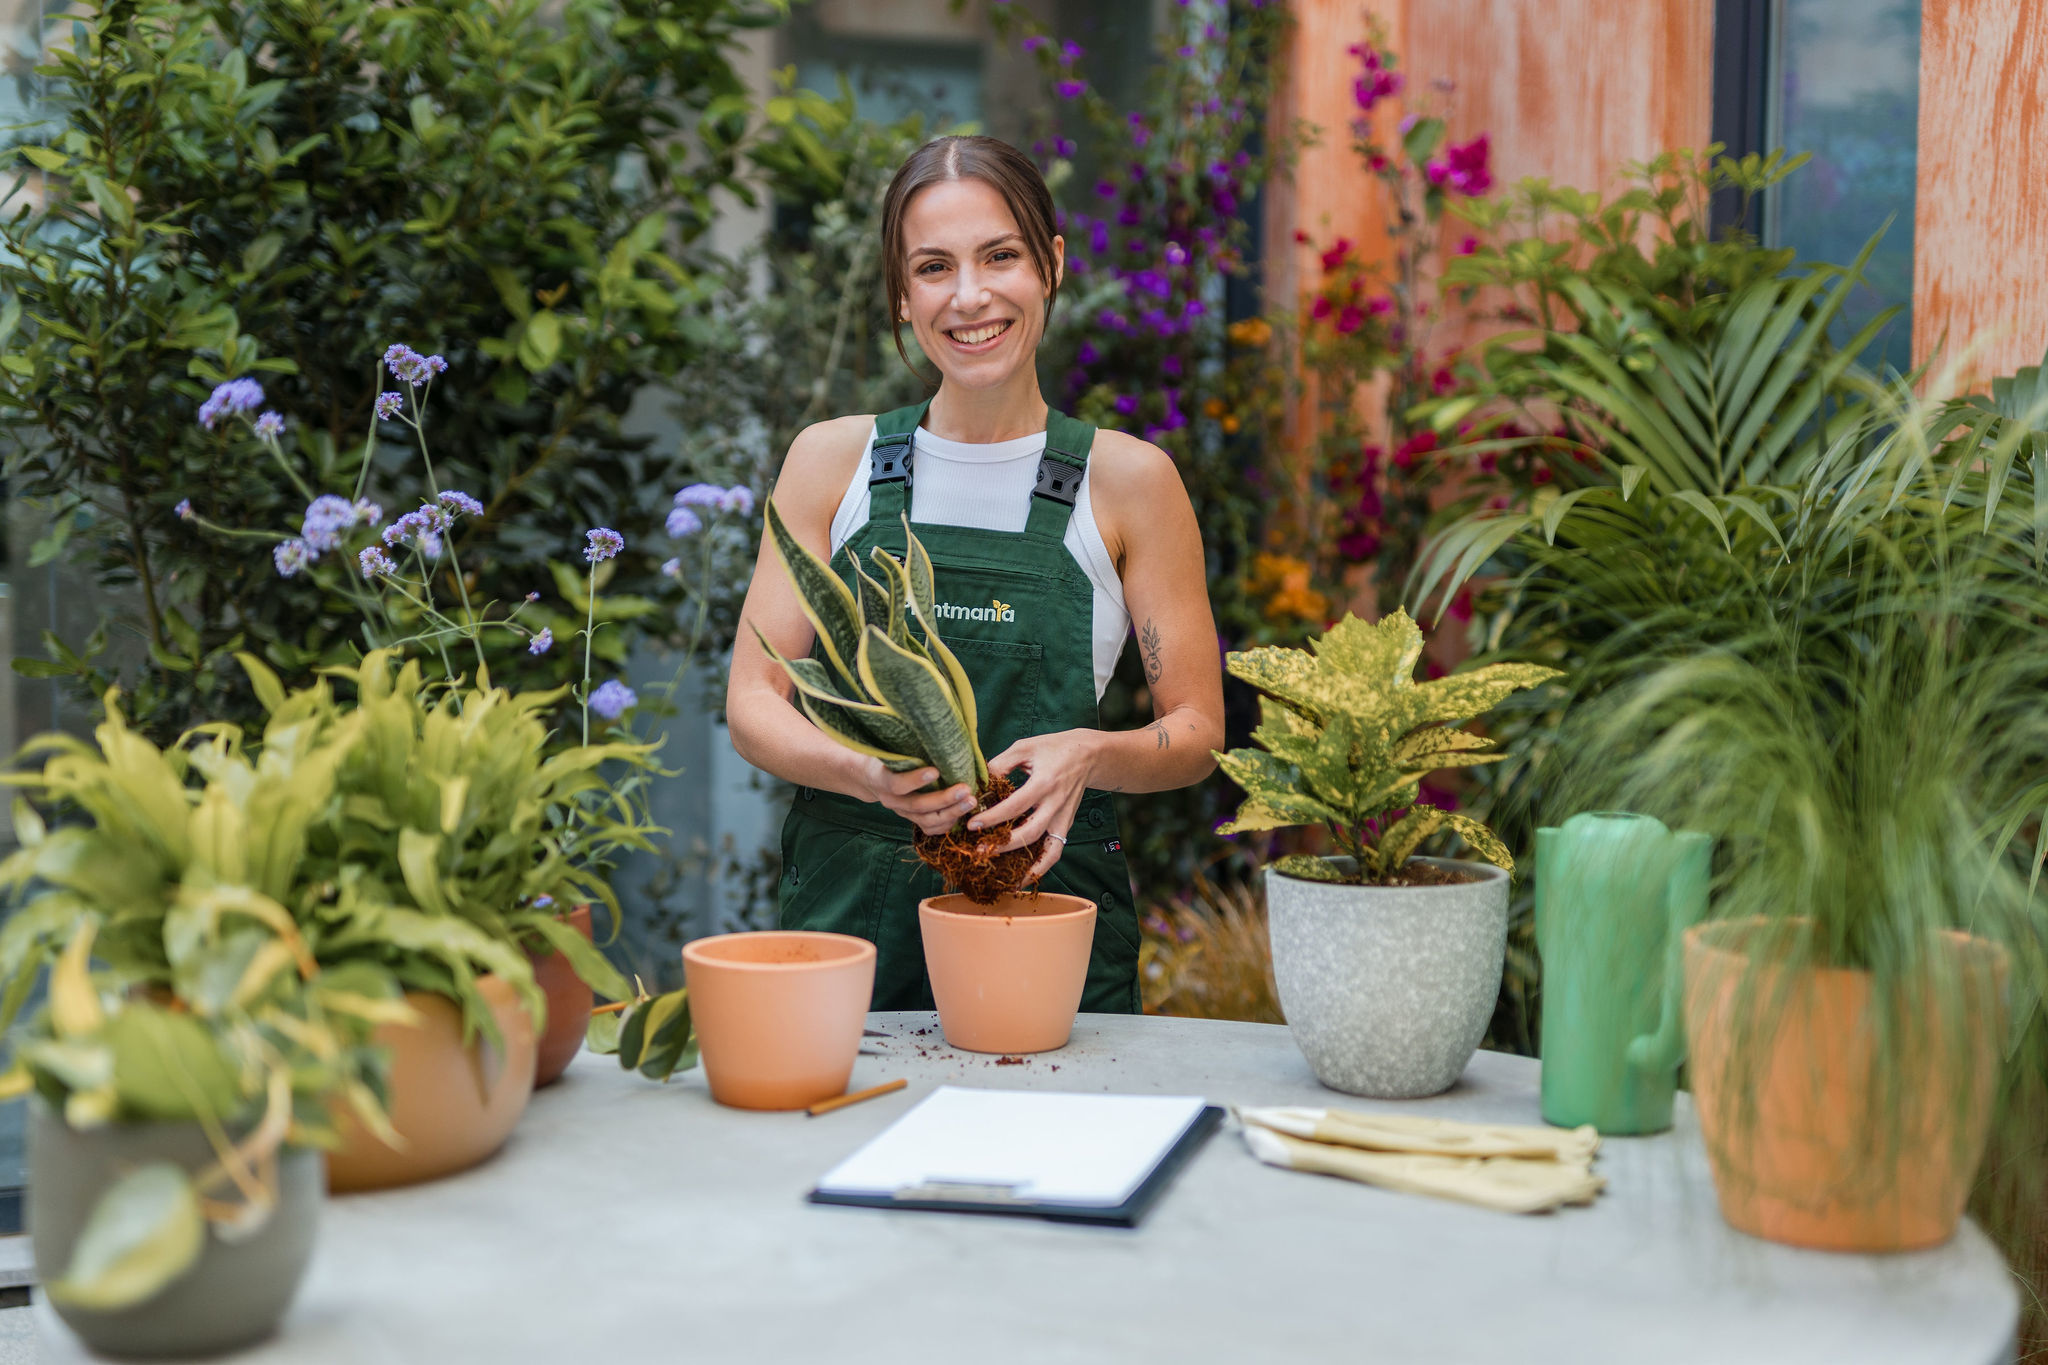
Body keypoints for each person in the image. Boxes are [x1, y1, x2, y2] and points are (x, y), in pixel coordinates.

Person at [726, 134, 1224, 1013]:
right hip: (851, 925)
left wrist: (1092, 756)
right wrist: (868, 775)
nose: (970, 296)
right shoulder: (830, 462)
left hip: (1045, 925)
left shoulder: (1130, 483)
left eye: (1000, 255)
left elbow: (1197, 730)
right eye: (932, 267)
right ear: (902, 297)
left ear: (1052, 267)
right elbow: (754, 700)